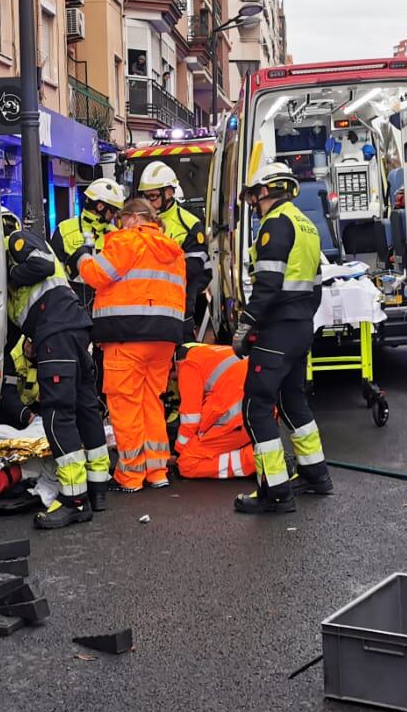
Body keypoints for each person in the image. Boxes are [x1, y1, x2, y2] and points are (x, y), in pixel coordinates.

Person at [233, 161, 333, 514]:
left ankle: (275, 491)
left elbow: (268, 284)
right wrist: (301, 317)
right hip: (300, 325)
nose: (254, 204)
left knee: (256, 406)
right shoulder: (306, 225)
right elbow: (318, 284)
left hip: (278, 328)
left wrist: (246, 324)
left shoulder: (275, 224)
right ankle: (315, 474)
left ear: (266, 190)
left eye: (254, 196)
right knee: (293, 401)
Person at [3, 209, 113, 527]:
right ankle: (97, 488)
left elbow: (43, 265)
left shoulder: (17, 242)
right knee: (85, 408)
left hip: (56, 332)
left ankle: (75, 500)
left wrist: (9, 278)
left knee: (57, 415)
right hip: (72, 328)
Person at [76, 198, 186, 492]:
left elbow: (95, 275)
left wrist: (83, 255)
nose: (119, 224)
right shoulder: (172, 251)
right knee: (152, 402)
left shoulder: (126, 242)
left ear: (135, 218)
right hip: (163, 339)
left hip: (127, 336)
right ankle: (157, 470)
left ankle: (130, 475)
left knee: (125, 405)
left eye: (122, 219)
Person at [138, 161, 210, 341]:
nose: (149, 202)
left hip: (178, 307)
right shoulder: (139, 222)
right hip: (145, 306)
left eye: (153, 196)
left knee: (183, 360)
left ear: (169, 192)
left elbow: (193, 270)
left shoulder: (189, 224)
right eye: (145, 197)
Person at [172, 342, 254, 479]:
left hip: (235, 421)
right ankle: (266, 452)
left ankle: (255, 460)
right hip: (260, 418)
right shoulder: (215, 352)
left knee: (187, 464)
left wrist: (180, 449)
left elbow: (191, 418)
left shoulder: (188, 364)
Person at [54, 178, 126, 305]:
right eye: (113, 210)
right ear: (100, 207)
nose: (115, 215)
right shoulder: (64, 229)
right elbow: (55, 273)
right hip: (74, 303)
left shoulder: (115, 233)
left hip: (106, 303)